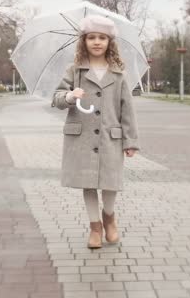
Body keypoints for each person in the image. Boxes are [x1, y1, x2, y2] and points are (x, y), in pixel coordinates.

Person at [51, 15, 140, 249]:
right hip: (82, 137)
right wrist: (69, 96)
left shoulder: (119, 73)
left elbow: (127, 109)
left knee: (110, 183)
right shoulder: (74, 71)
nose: (97, 42)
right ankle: (95, 227)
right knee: (88, 183)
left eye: (102, 38)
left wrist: (130, 141)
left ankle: (109, 216)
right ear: (84, 41)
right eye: (91, 37)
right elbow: (57, 98)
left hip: (110, 136)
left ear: (110, 42)